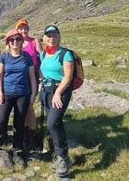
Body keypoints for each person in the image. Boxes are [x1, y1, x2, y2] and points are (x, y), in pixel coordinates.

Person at [0, 29, 37, 165]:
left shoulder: (27, 57)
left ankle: (18, 149)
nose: (15, 42)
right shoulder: (4, 57)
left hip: (23, 93)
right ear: (8, 43)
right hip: (7, 93)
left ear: (22, 41)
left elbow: (32, 76)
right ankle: (0, 139)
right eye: (12, 40)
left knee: (19, 122)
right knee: (1, 120)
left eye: (17, 39)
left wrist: (33, 94)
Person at [39, 25, 74, 178]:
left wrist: (58, 93)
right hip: (47, 91)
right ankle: (58, 154)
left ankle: (63, 158)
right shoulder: (43, 54)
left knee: (52, 123)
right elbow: (42, 71)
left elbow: (68, 77)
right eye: (48, 35)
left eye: (54, 35)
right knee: (56, 123)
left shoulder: (65, 54)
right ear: (44, 38)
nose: (51, 38)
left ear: (59, 37)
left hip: (60, 91)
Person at [15, 18, 42, 151]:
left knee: (29, 106)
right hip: (20, 78)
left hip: (32, 77)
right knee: (23, 107)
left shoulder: (34, 41)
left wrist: (42, 74)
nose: (23, 30)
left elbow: (41, 57)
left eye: (25, 28)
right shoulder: (16, 43)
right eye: (20, 28)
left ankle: (31, 135)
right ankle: (25, 133)